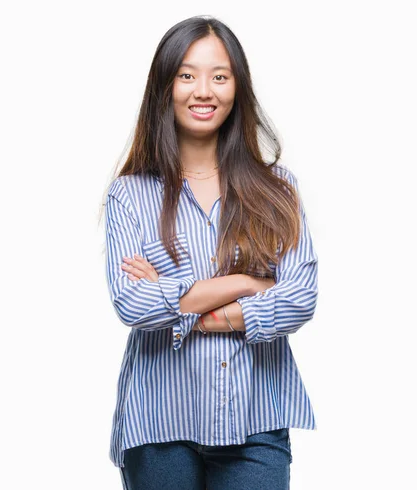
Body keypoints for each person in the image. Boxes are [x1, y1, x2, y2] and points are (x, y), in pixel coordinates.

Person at [100, 15, 319, 490]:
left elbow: (300, 298)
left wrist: (183, 304)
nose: (204, 90)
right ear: (165, 87)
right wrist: (247, 283)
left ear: (237, 88)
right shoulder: (129, 195)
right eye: (187, 75)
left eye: (219, 76)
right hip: (160, 423)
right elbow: (132, 304)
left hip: (256, 418)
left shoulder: (277, 189)